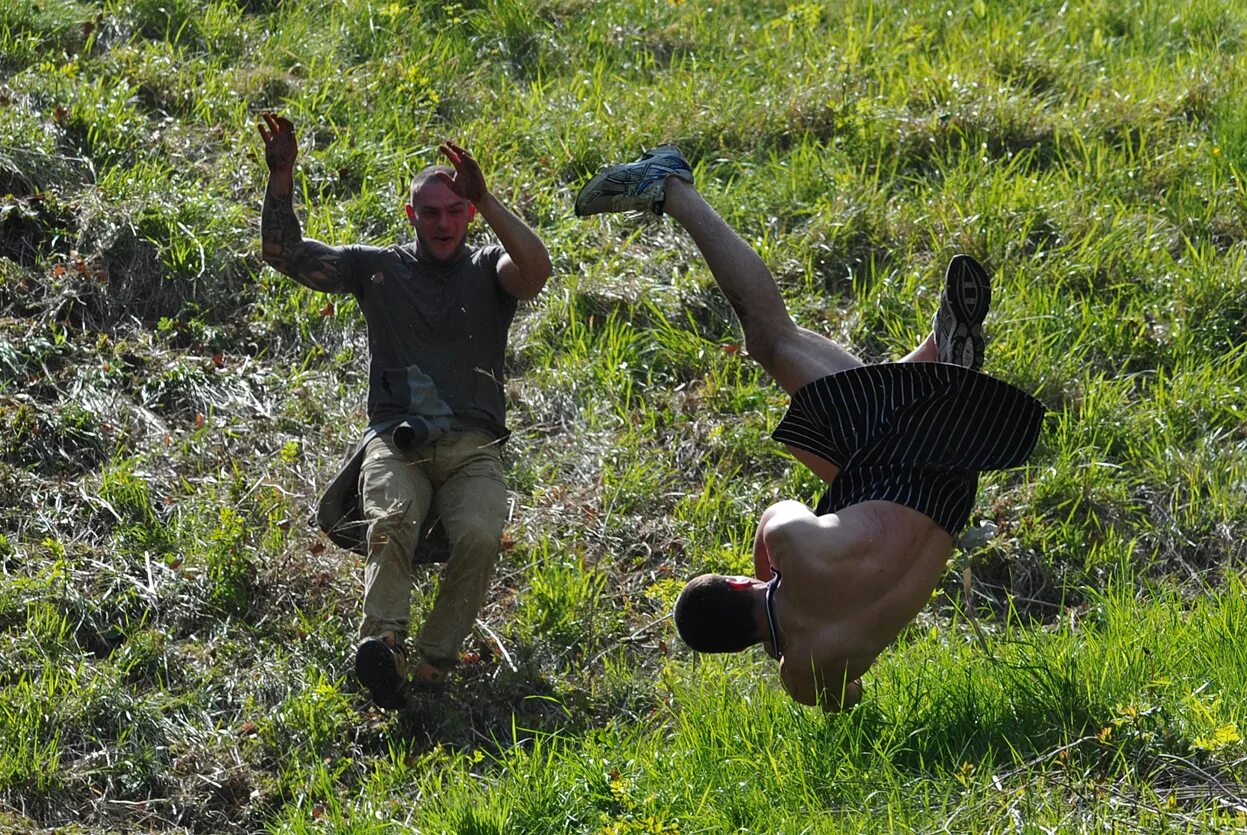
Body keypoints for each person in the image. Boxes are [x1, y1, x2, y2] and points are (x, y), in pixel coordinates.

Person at [574, 147, 1044, 711]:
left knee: (848, 443)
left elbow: (848, 696)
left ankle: (936, 360)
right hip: (895, 472)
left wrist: (802, 645)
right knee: (771, 341)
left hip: (951, 494)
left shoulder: (807, 669)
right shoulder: (792, 550)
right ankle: (672, 188)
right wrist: (774, 573)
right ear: (741, 585)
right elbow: (779, 514)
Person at [258, 113, 552, 708]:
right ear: (410, 215)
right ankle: (383, 649)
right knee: (390, 524)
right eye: (430, 212)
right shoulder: (378, 267)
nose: (442, 223)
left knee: (480, 535)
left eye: (454, 211)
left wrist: (488, 199)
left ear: (467, 214)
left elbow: (537, 272)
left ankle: (433, 666)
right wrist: (283, 174)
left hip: (474, 448)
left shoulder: (488, 268)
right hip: (397, 440)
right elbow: (281, 253)